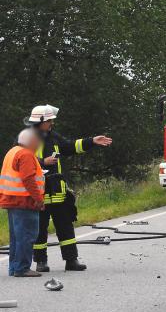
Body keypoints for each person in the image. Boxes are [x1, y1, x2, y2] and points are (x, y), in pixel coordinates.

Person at [25, 105, 113, 272]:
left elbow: (70, 146)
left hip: (58, 190)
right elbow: (22, 160)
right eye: (50, 121)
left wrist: (91, 141)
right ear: (41, 121)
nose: (52, 123)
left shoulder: (53, 137)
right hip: (39, 191)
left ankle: (71, 260)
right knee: (39, 229)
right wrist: (43, 162)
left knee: (65, 226)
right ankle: (41, 262)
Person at [1, 129, 46, 277]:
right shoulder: (26, 154)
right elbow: (28, 179)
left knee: (16, 237)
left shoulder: (13, 151)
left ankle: (14, 268)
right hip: (25, 202)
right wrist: (38, 199)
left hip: (12, 200)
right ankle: (22, 268)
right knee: (27, 235)